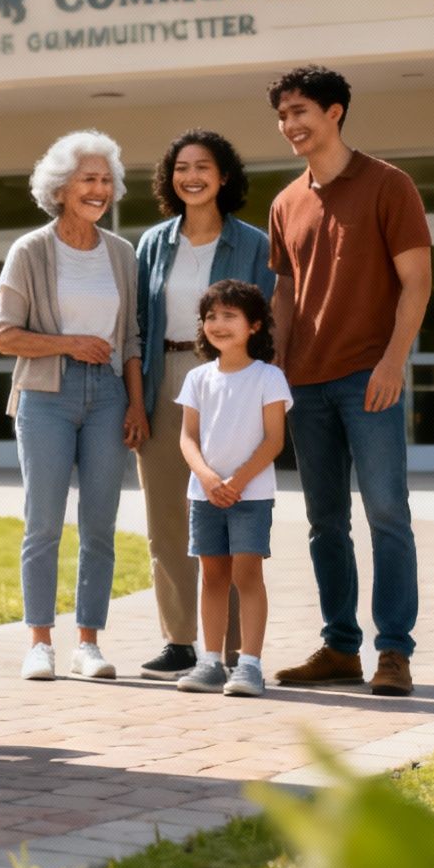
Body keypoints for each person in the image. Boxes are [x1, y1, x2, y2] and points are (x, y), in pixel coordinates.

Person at [264, 65, 431, 698]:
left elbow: (416, 280)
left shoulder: (390, 185)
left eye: (300, 111)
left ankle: (394, 652)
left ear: (335, 112)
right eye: (282, 116)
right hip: (305, 382)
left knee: (388, 513)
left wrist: (393, 362)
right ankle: (339, 647)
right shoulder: (286, 202)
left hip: (369, 376)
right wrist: (277, 369)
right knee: (324, 521)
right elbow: (285, 290)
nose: (290, 125)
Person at [0, 129, 147, 682]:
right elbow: (4, 336)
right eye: (88, 179)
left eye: (106, 180)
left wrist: (136, 404)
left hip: (107, 395)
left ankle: (89, 642)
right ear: (61, 188)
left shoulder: (123, 254)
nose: (99, 189)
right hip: (46, 395)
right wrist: (69, 343)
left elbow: (130, 338)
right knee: (44, 524)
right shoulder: (30, 251)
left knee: (100, 525)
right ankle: (39, 642)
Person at [131, 130, 276, 681]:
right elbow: (136, 328)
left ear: (224, 176)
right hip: (162, 376)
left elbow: (268, 323)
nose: (191, 176)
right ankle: (180, 642)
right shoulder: (151, 244)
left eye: (203, 167)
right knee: (166, 515)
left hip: (231, 378)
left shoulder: (254, 244)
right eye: (181, 167)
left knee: (231, 503)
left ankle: (238, 649)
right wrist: (135, 401)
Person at [170, 280, 291, 697]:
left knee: (247, 574)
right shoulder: (198, 377)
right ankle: (210, 662)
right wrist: (207, 477)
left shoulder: (268, 377)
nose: (217, 324)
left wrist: (237, 481)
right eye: (210, 317)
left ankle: (249, 665)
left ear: (254, 325)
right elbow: (188, 438)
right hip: (205, 495)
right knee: (212, 575)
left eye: (229, 316)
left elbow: (274, 440)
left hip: (250, 495)